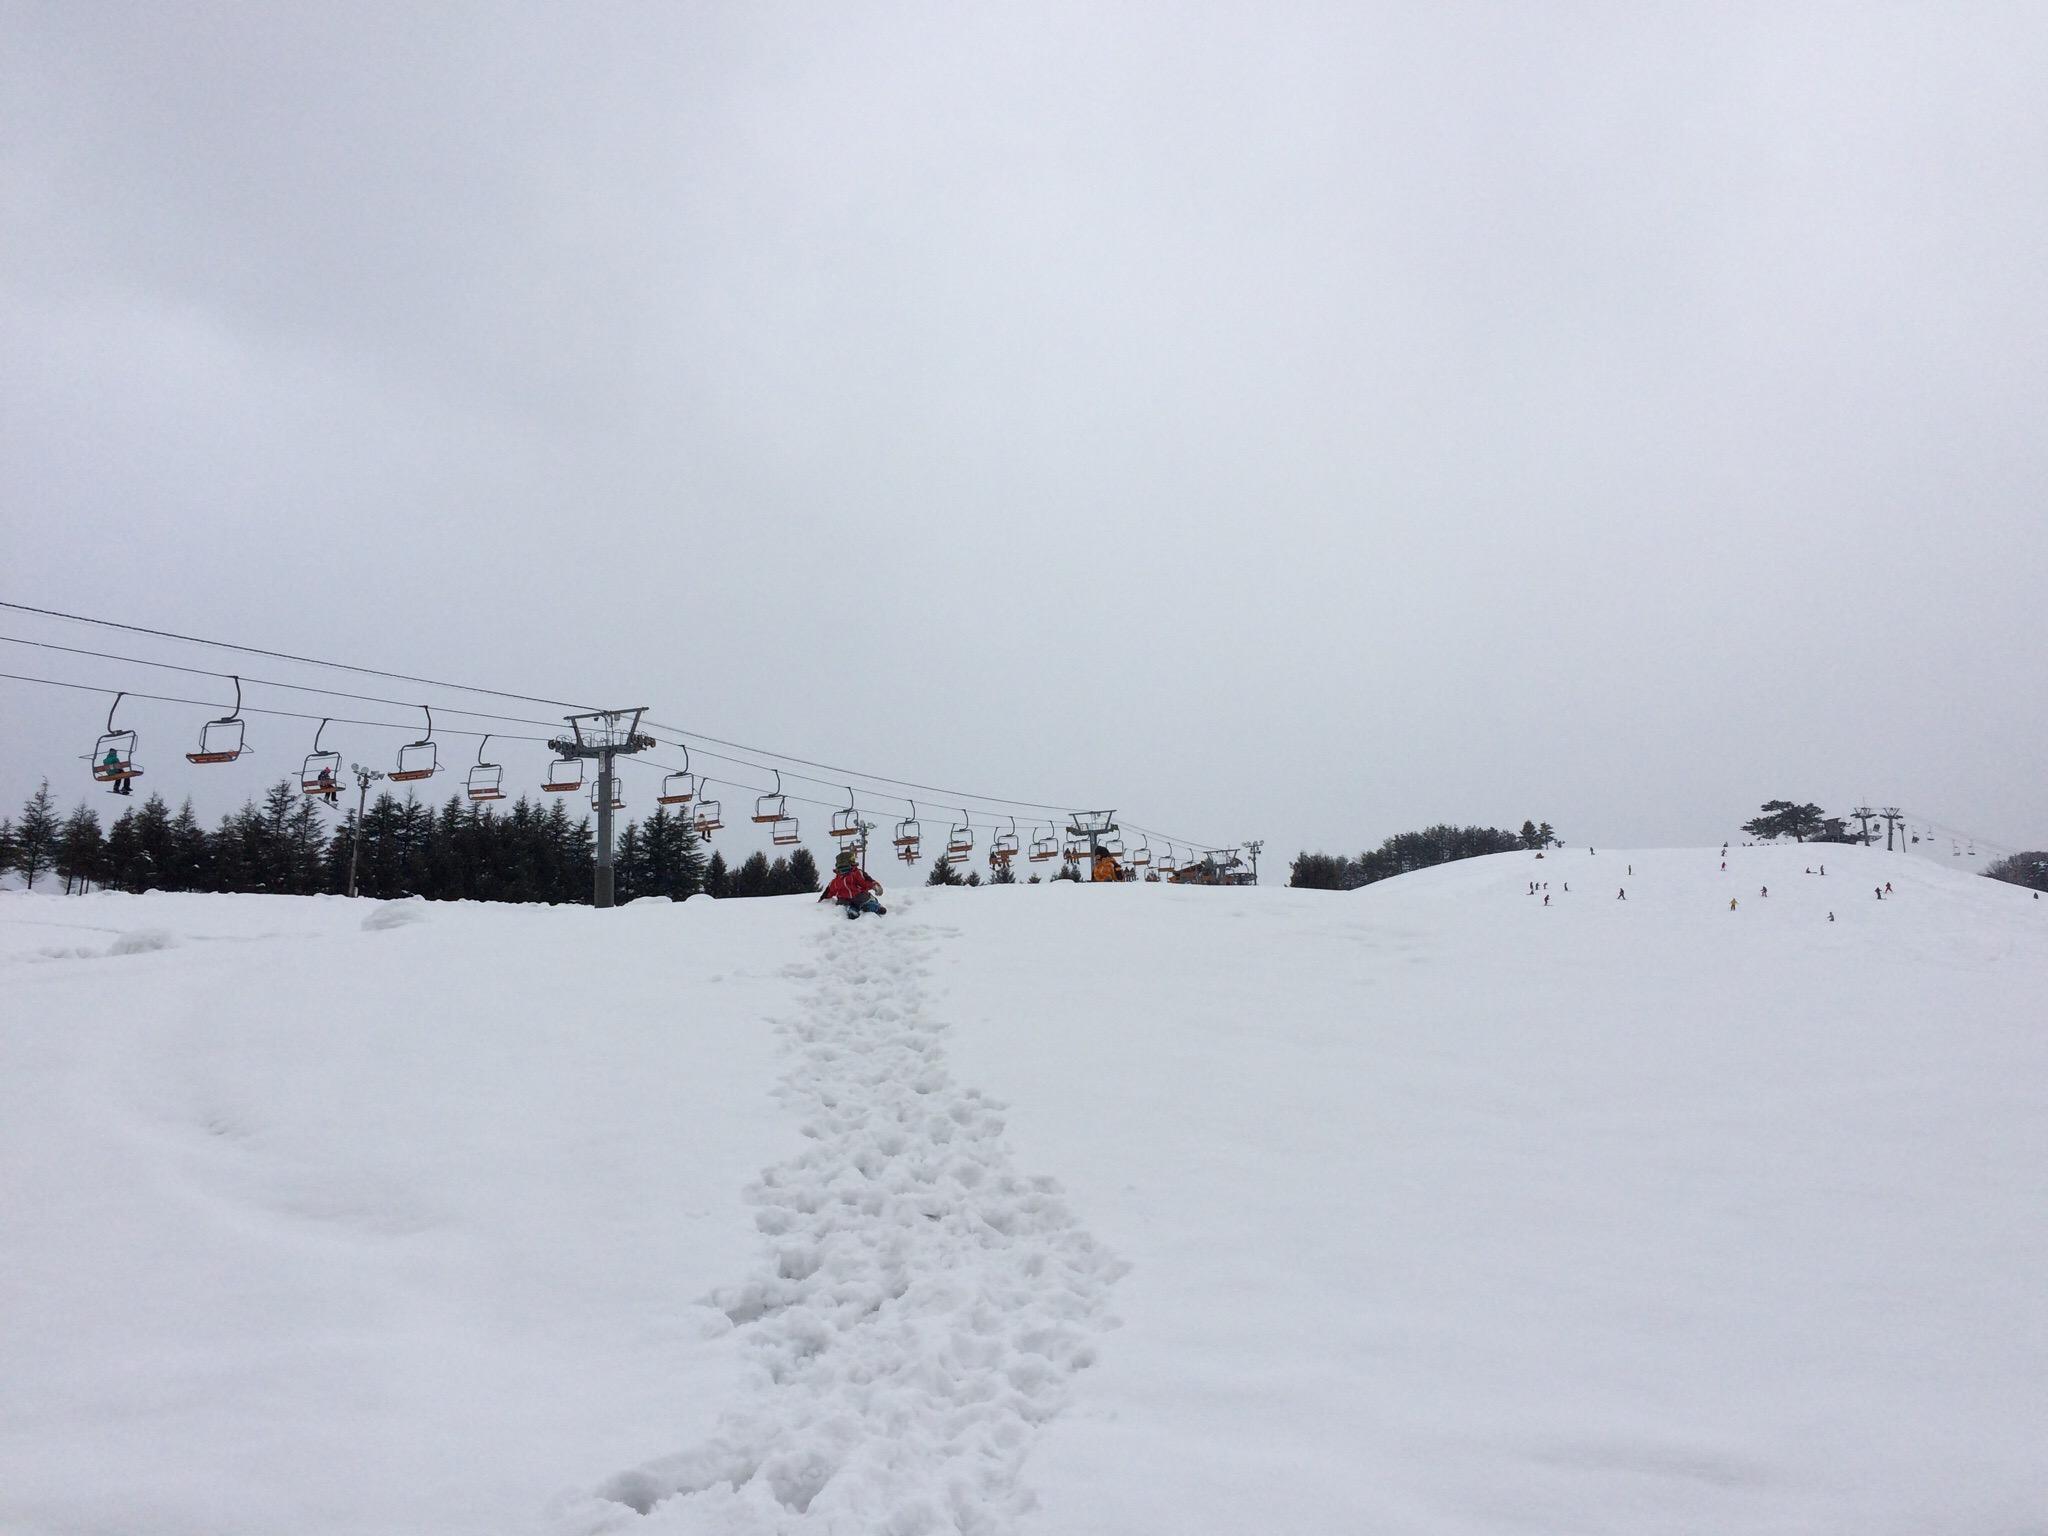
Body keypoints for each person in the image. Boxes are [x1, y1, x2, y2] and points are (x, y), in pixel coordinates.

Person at [820, 851, 886, 919]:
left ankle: (852, 910)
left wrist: (822, 899)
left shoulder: (835, 881)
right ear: (851, 862)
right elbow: (866, 881)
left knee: (844, 904)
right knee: (866, 899)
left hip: (845, 900)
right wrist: (875, 886)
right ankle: (873, 906)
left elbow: (828, 891)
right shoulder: (856, 873)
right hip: (859, 897)